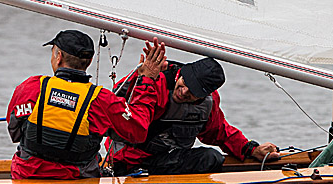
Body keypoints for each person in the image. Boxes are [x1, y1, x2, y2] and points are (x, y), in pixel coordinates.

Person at [6, 29, 166, 180]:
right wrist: (146, 80)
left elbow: (14, 131)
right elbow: (138, 130)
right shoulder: (102, 100)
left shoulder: (31, 87)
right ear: (89, 62)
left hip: (26, 178)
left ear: (58, 56)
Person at [109, 56, 280, 175]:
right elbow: (114, 104)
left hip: (168, 160)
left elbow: (219, 132)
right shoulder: (156, 80)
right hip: (129, 160)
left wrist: (251, 149)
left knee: (211, 158)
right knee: (211, 159)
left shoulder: (208, 103)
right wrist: (141, 77)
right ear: (182, 74)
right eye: (184, 84)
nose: (183, 92)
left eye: (192, 93)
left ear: (203, 96)